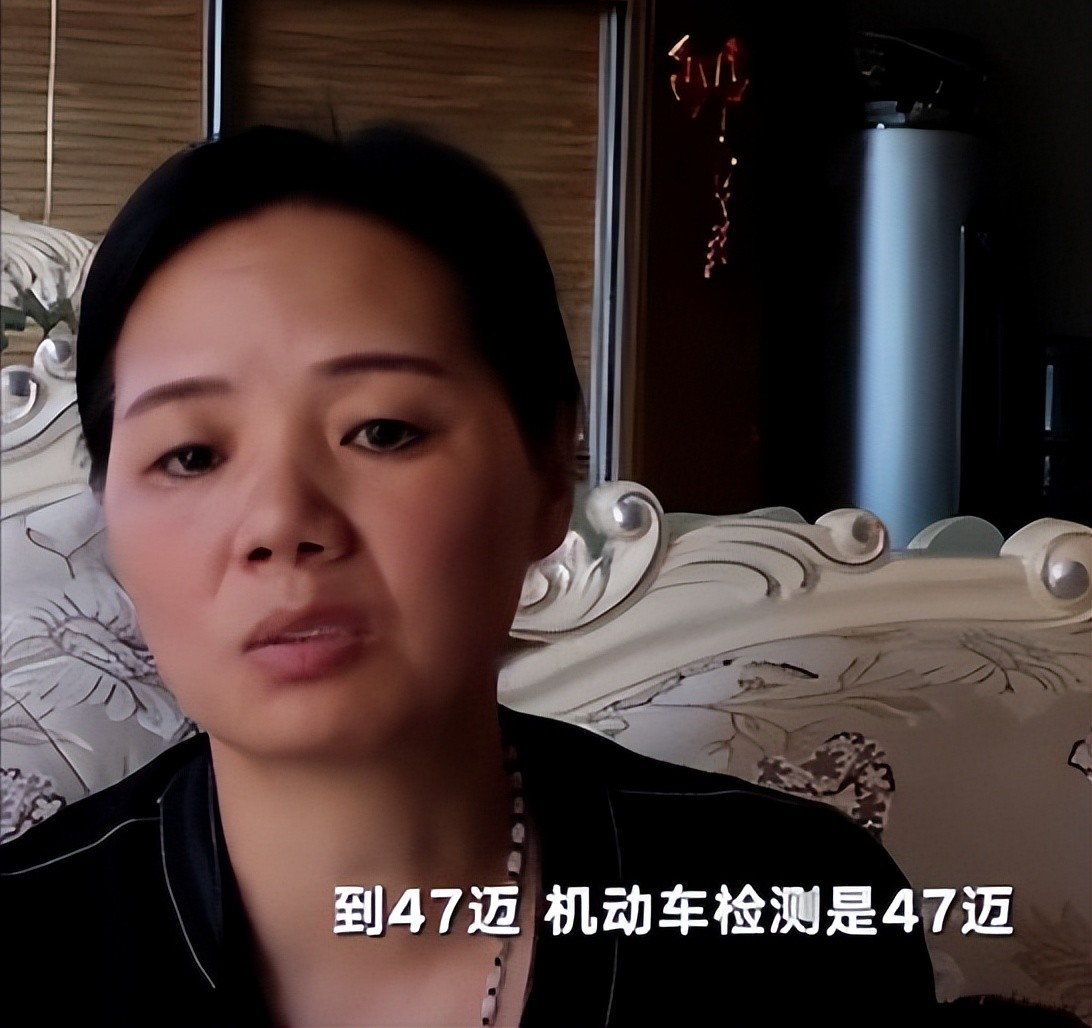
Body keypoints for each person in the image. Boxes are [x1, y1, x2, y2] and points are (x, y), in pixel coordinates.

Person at [0, 125, 937, 1026]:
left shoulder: (792, 927)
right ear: (109, 516)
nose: (281, 524)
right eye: (192, 455)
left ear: (548, 475)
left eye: (382, 431)